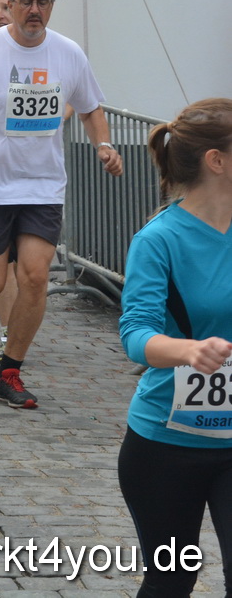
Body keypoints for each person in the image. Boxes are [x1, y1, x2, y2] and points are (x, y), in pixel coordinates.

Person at [0, 0, 123, 409]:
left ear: (51, 7)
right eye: (27, 3)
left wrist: (106, 145)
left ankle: (9, 372)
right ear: (13, 4)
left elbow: (92, 108)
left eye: (43, 4)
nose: (34, 11)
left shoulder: (68, 53)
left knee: (36, 277)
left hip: (42, 185)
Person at [117, 98, 232, 598]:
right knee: (172, 580)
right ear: (217, 160)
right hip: (165, 444)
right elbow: (136, 334)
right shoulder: (158, 239)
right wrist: (188, 351)